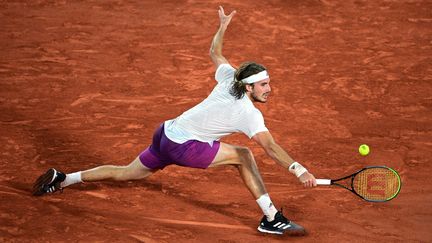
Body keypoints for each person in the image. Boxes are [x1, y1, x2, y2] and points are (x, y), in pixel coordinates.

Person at [32, 6, 317, 236]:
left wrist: (221, 28)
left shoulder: (230, 77)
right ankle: (271, 218)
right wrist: (298, 169)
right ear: (248, 87)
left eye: (268, 83)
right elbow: (270, 146)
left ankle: (64, 179)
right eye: (264, 85)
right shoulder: (248, 113)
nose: (269, 89)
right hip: (182, 146)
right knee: (243, 155)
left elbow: (214, 53)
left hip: (166, 132)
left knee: (128, 173)